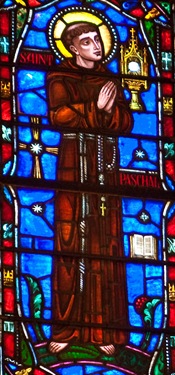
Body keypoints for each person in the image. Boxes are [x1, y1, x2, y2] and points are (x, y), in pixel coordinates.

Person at [47, 22, 133, 355]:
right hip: (72, 164)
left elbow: (125, 122)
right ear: (73, 48)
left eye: (98, 39)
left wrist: (110, 110)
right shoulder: (60, 78)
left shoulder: (110, 80)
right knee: (69, 240)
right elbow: (58, 116)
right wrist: (94, 108)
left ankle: (105, 331)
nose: (96, 45)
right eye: (87, 41)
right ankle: (67, 327)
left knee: (105, 240)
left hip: (105, 167)